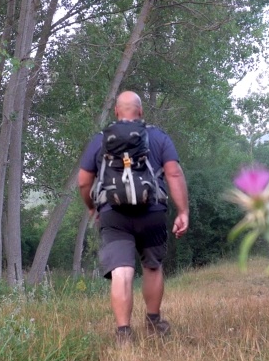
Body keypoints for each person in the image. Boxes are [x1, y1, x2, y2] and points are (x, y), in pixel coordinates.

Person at [78, 91, 189, 345]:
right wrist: (183, 212)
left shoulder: (100, 139)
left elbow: (83, 182)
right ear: (140, 112)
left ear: (117, 112)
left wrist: (92, 207)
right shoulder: (158, 137)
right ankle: (153, 322)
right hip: (152, 213)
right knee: (152, 266)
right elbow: (173, 174)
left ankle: (124, 334)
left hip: (113, 215)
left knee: (122, 272)